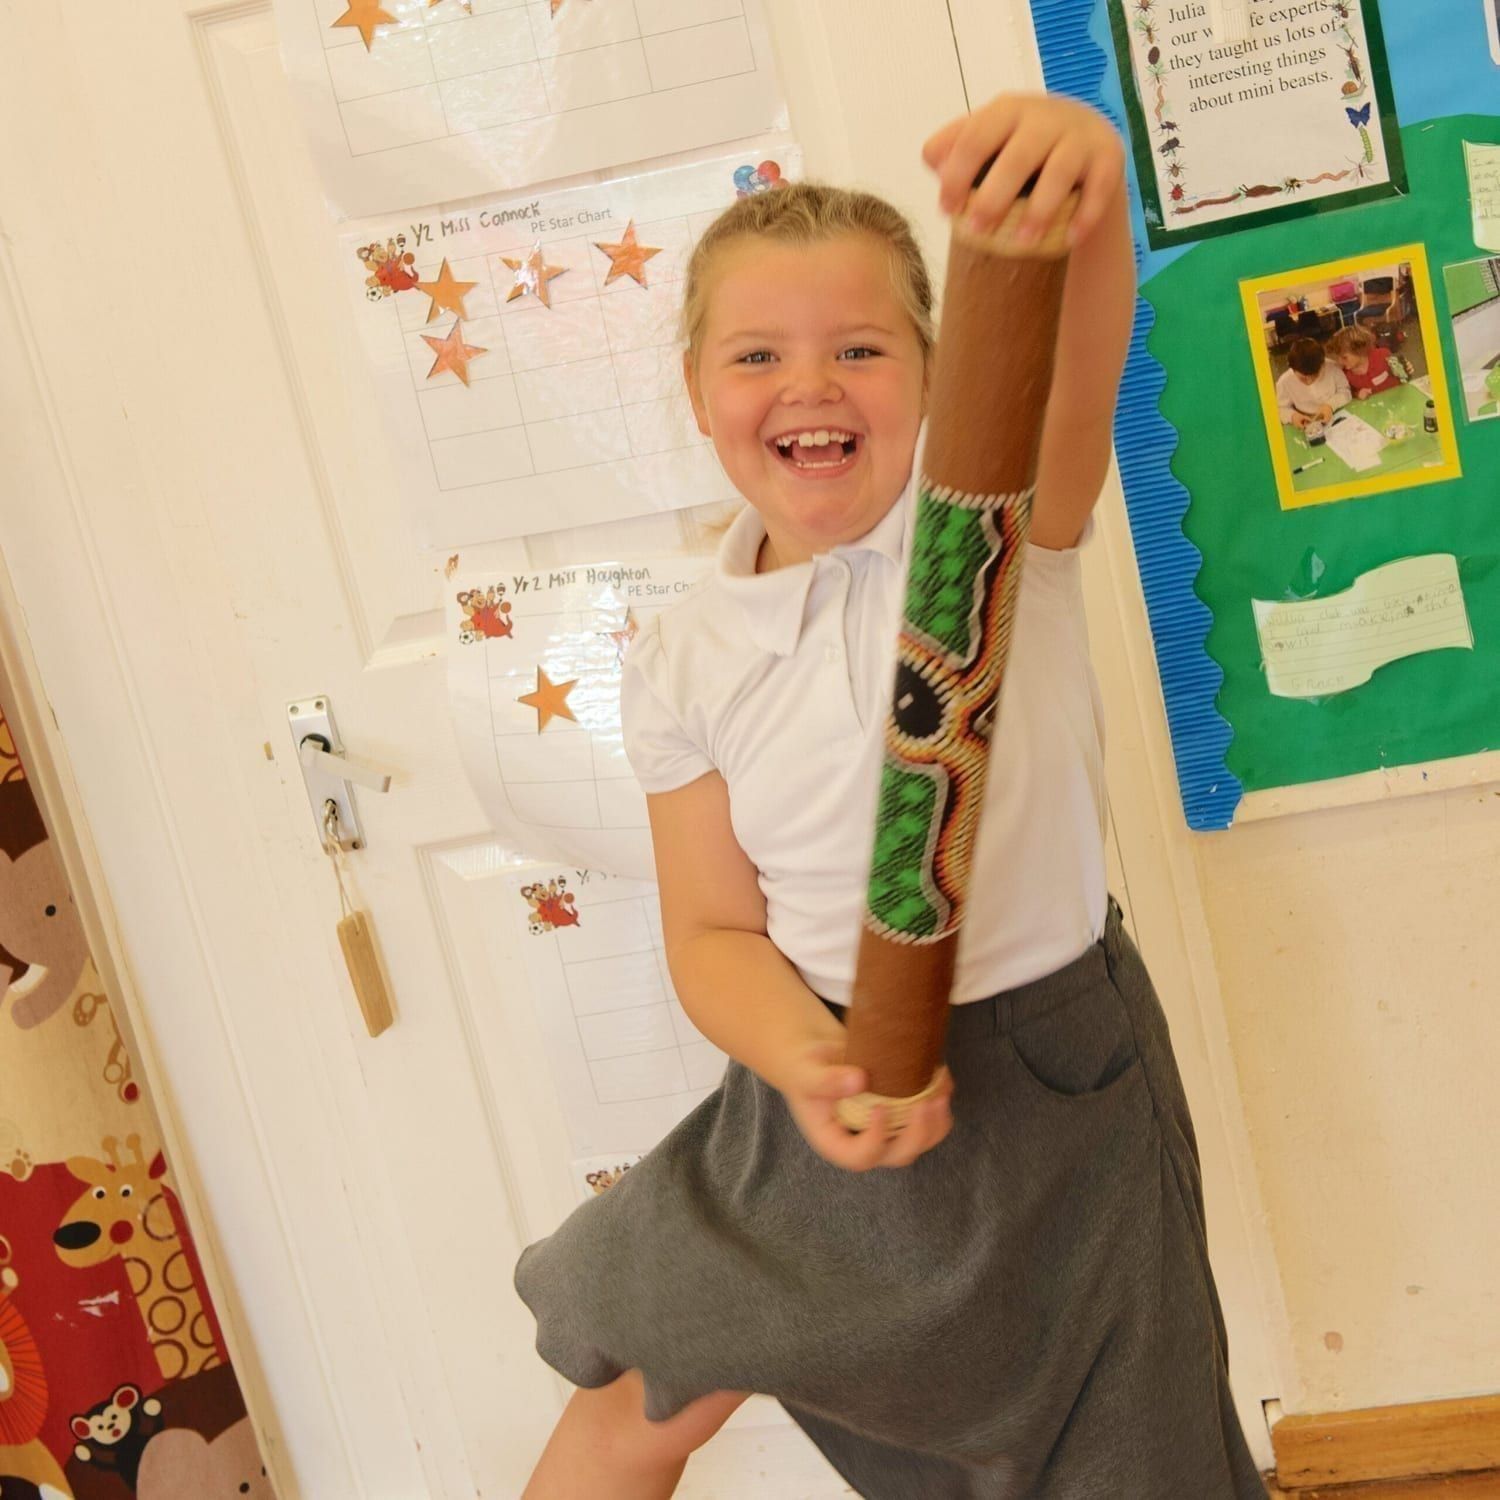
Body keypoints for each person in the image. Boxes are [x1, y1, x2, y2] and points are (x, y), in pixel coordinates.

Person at [515, 91, 1266, 1500]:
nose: (811, 384)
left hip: (1053, 1089)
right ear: (697, 395)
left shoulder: (994, 532)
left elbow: (1076, 361)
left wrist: (1080, 206)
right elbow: (713, 937)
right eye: (758, 354)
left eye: (860, 349)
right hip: (819, 1090)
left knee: (1127, 1461)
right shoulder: (684, 655)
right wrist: (809, 1065)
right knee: (631, 1395)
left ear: (936, 375)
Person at [1277, 336, 1351, 429]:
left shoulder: (1333, 368)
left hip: (1338, 414)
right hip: (1306, 422)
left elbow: (1345, 391)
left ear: (1323, 364)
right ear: (1292, 368)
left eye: (1315, 375)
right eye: (1303, 378)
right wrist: (1292, 416)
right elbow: (1281, 408)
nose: (1309, 381)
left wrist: (1330, 405)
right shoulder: (1285, 381)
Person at [1328, 323, 1398, 400]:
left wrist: (1406, 368)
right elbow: (1348, 391)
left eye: (1344, 357)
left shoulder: (1383, 355)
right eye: (1338, 357)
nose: (1340, 362)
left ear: (1359, 351)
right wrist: (1357, 394)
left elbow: (1401, 373)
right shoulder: (1345, 373)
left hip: (1396, 398)